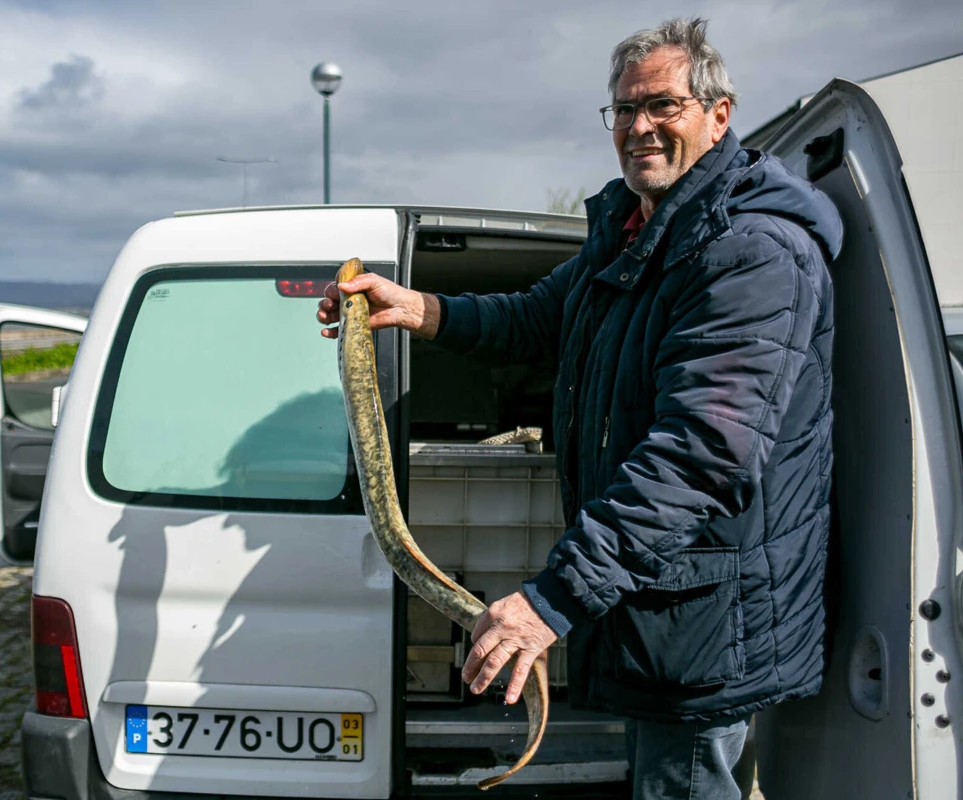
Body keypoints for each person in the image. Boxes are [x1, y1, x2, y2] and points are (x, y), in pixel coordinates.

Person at [318, 16, 842, 800]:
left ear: (719, 114)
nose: (639, 128)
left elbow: (700, 457)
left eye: (662, 106)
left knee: (687, 784)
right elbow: (537, 317)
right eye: (624, 110)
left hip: (707, 612)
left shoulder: (749, 251)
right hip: (666, 600)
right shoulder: (638, 231)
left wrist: (550, 600)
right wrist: (419, 308)